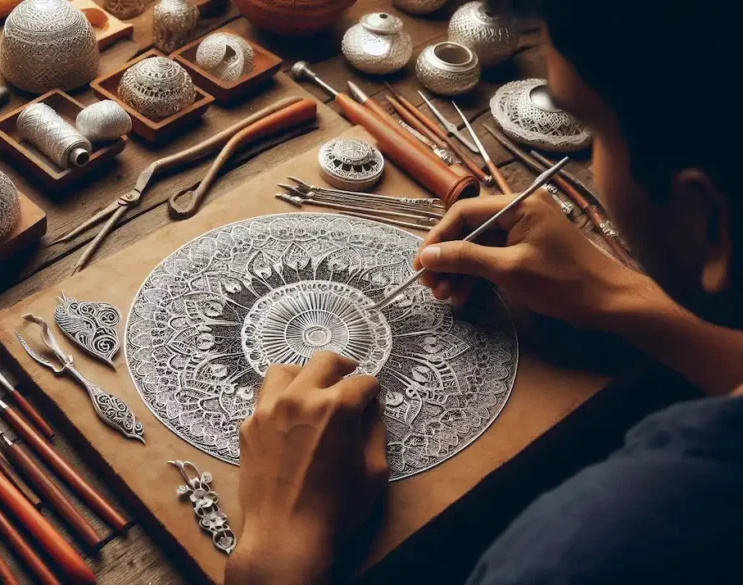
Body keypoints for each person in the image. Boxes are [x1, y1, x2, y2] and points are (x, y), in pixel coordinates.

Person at [225, 1, 743, 583]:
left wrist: (275, 551)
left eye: (593, 132)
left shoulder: (589, 547)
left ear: (709, 225)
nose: (590, 171)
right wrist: (625, 297)